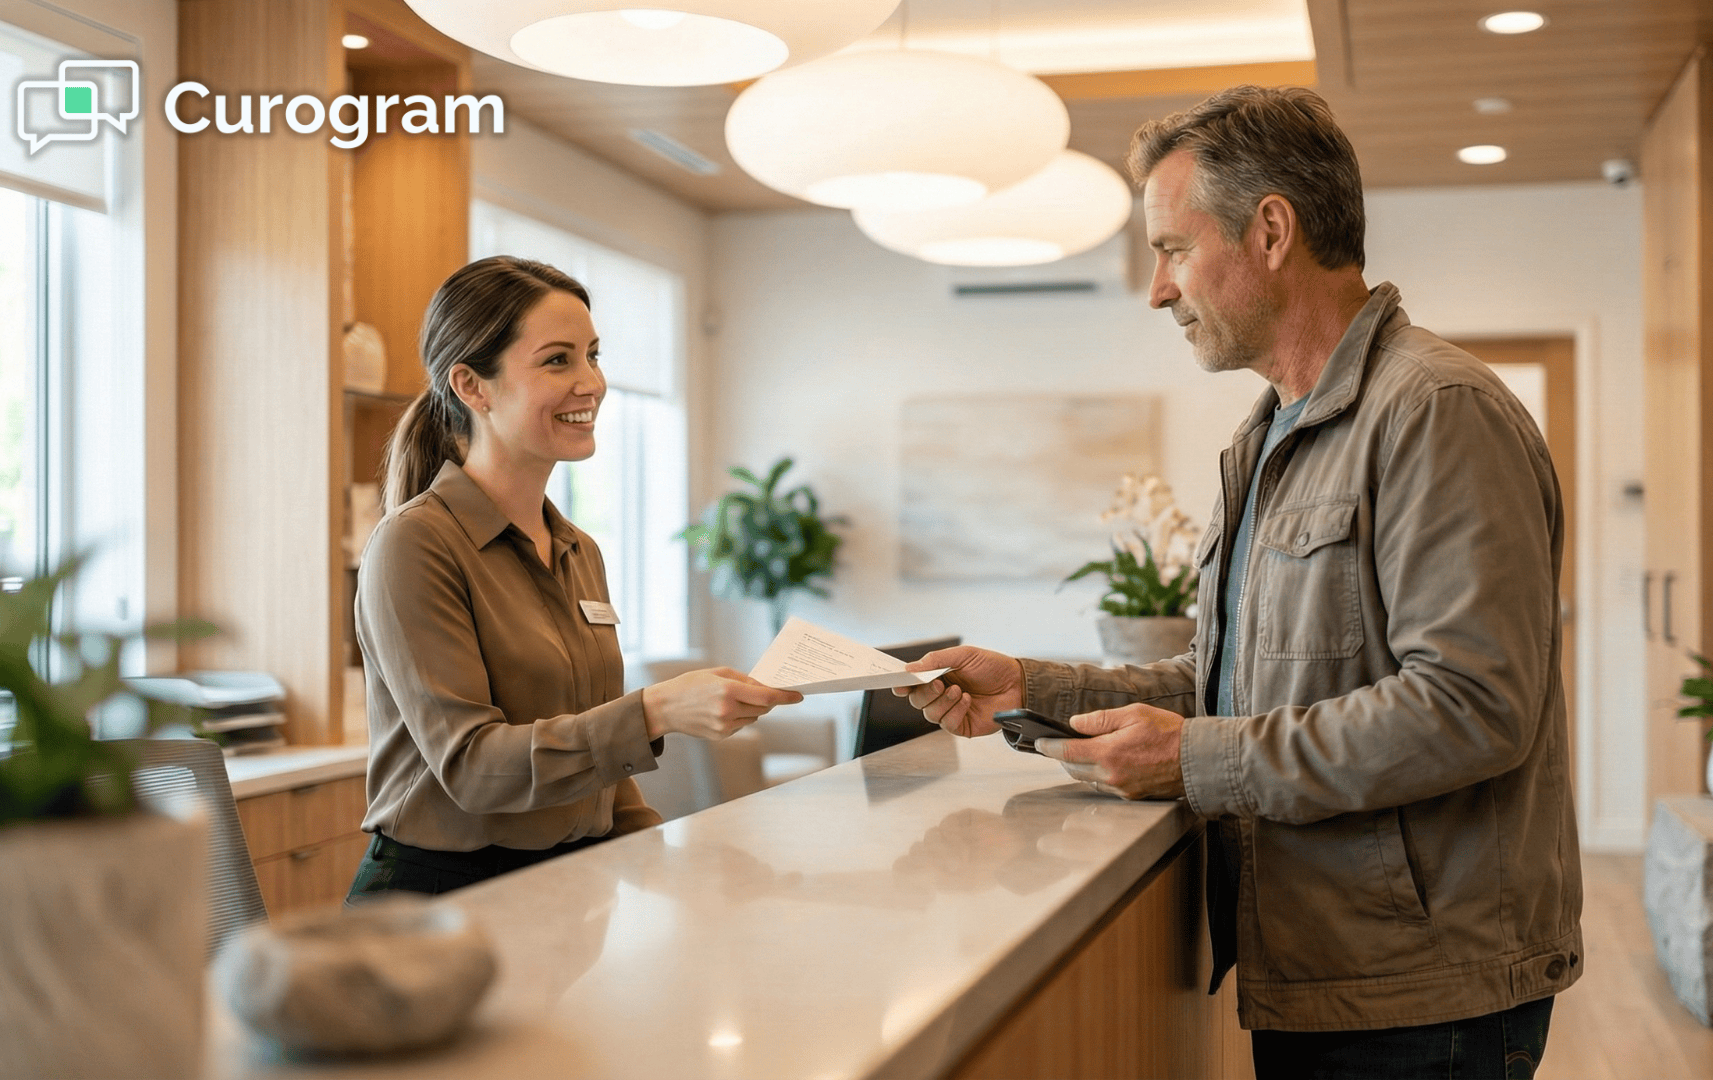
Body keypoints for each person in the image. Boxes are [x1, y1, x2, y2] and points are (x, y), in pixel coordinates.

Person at [897, 86, 1579, 1080]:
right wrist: (1033, 688)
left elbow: (1473, 708)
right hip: (1321, 965)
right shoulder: (1266, 439)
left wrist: (1199, 762)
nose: (1157, 290)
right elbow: (1227, 685)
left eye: (1172, 248)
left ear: (1270, 230)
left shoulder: (1437, 412)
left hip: (1423, 993)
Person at [347, 256, 800, 901]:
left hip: (568, 888)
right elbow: (474, 769)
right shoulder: (416, 544)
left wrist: (670, 862)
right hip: (443, 906)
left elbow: (597, 767)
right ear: (473, 386)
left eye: (593, 355)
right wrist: (656, 709)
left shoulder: (577, 549)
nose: (591, 382)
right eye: (557, 360)